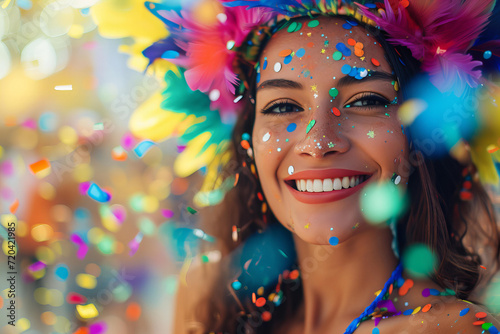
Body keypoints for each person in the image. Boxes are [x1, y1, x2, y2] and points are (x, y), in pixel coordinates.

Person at [138, 0, 500, 333]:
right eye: (282, 107)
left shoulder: (455, 329)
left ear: (416, 136)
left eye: (366, 100)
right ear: (247, 141)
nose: (319, 142)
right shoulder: (211, 306)